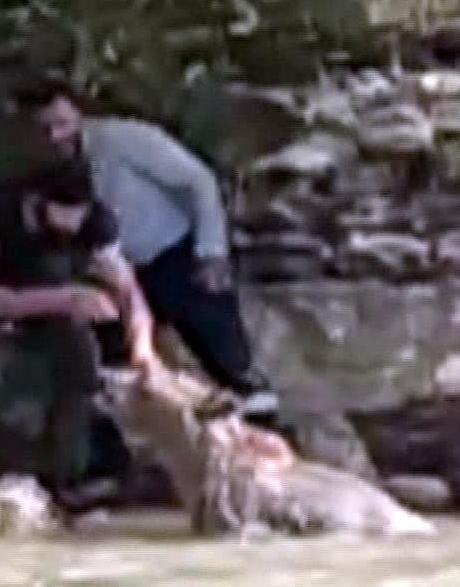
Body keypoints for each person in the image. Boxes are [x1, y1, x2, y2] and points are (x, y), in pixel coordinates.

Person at [16, 77, 279, 420]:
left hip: (178, 252)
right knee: (115, 359)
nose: (55, 136)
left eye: (61, 124)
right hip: (119, 267)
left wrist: (211, 250)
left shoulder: (125, 139)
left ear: (77, 111)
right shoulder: (45, 164)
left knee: (225, 356)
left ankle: (265, 431)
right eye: (44, 129)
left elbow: (198, 180)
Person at [0, 160, 158, 509]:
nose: (70, 225)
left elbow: (129, 290)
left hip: (50, 306)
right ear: (36, 200)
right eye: (61, 213)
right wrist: (67, 298)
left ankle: (67, 474)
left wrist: (143, 347)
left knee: (81, 355)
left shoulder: (94, 225)